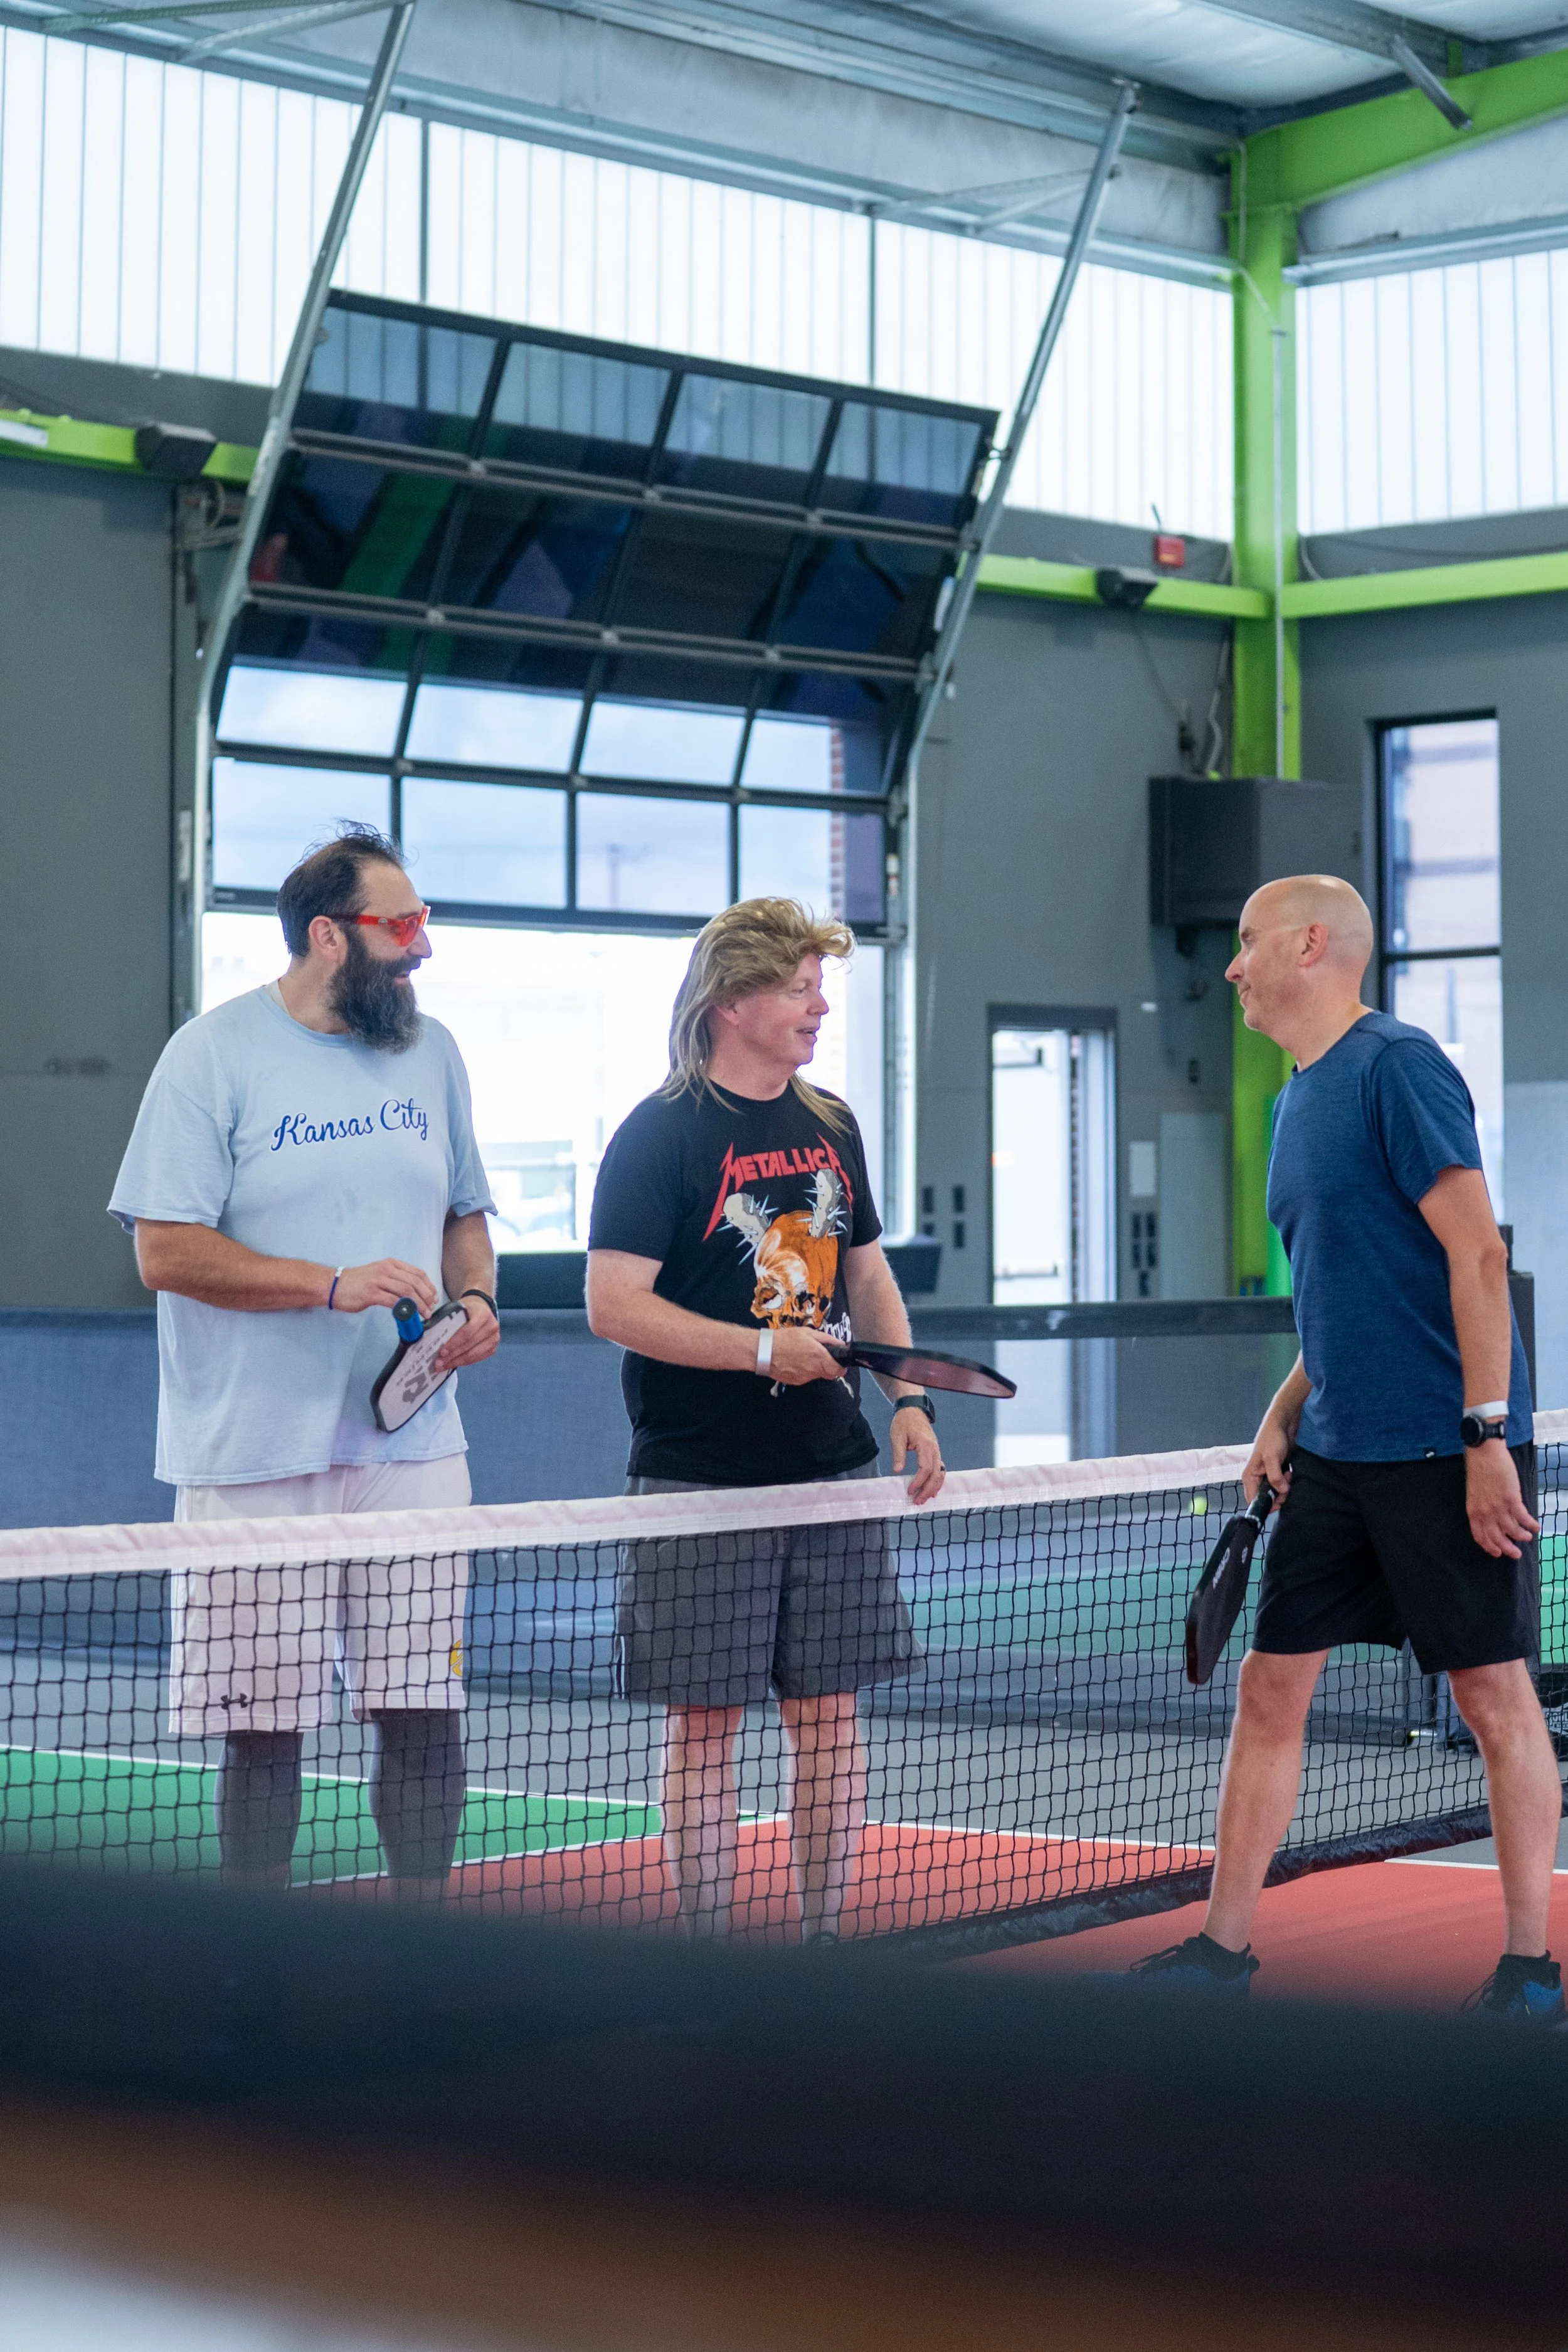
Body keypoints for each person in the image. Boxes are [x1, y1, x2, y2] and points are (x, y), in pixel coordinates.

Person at [1132, 875, 1562, 2022]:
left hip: (1444, 1446)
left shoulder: (1398, 1067)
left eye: (1246, 942)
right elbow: (1341, 1294)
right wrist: (1281, 1413)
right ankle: (1222, 1949)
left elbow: (1476, 1260)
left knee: (1492, 1697)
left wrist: (1485, 1434)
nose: (1229, 968)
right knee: (1272, 1689)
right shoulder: (1295, 1098)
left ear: (1313, 945)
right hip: (1334, 1451)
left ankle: (1532, 1969)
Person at [109, 824, 499, 1900]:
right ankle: (255, 1962)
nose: (423, 946)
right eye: (402, 924)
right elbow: (164, 1250)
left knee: (425, 1707)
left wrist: (476, 1299)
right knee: (264, 1733)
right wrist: (329, 1282)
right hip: (252, 1450)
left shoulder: (434, 1050)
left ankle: (427, 1936)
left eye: (425, 920)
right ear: (329, 936)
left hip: (412, 1443)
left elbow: (467, 1213)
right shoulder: (210, 1054)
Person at [585, 898, 944, 1943]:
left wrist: (909, 1398)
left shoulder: (832, 1125)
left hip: (829, 1470)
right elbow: (614, 1306)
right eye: (799, 987)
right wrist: (757, 1348)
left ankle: (820, 1947)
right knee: (704, 1728)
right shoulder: (659, 1136)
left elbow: (866, 1274)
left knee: (829, 1718)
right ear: (734, 1001)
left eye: (819, 987)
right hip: (698, 1481)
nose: (819, 1006)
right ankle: (712, 1959)